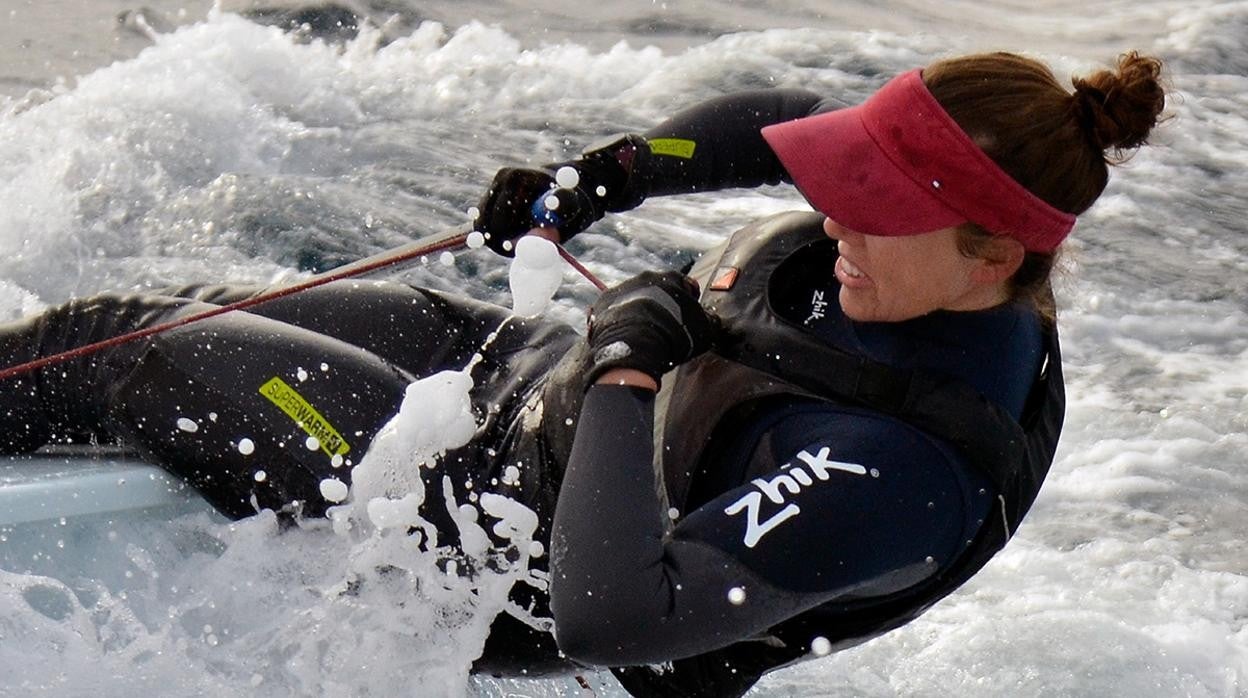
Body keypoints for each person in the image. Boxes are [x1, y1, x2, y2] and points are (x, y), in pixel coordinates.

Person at [0, 50, 1165, 696]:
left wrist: (622, 368)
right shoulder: (928, 242)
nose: (834, 210)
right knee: (178, 315)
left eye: (871, 203)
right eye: (843, 183)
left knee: (143, 353)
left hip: (486, 536)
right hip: (516, 372)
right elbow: (766, 125)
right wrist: (603, 175)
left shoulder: (895, 472)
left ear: (996, 255)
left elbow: (614, 617)